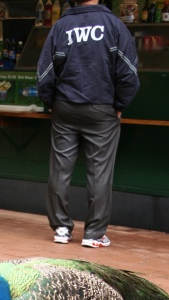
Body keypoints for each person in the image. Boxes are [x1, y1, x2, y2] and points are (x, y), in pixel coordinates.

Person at [37, 0, 140, 246]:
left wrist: (50, 101)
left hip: (64, 107)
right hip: (102, 108)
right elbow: (128, 73)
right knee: (99, 172)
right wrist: (119, 105)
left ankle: (61, 228)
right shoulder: (114, 24)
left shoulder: (61, 26)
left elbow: (44, 72)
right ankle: (94, 234)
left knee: (60, 169)